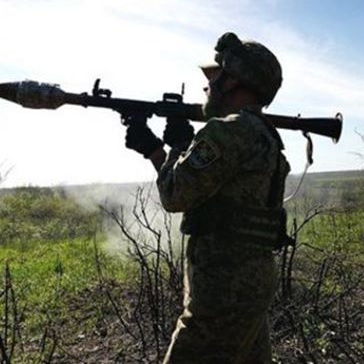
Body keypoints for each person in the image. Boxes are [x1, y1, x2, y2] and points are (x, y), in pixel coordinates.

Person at [123, 32, 290, 363]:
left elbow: (175, 195)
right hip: (251, 279)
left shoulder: (226, 131)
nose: (207, 87)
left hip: (223, 287)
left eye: (215, 78)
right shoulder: (266, 135)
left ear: (234, 82)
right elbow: (219, 194)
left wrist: (157, 150)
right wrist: (179, 147)